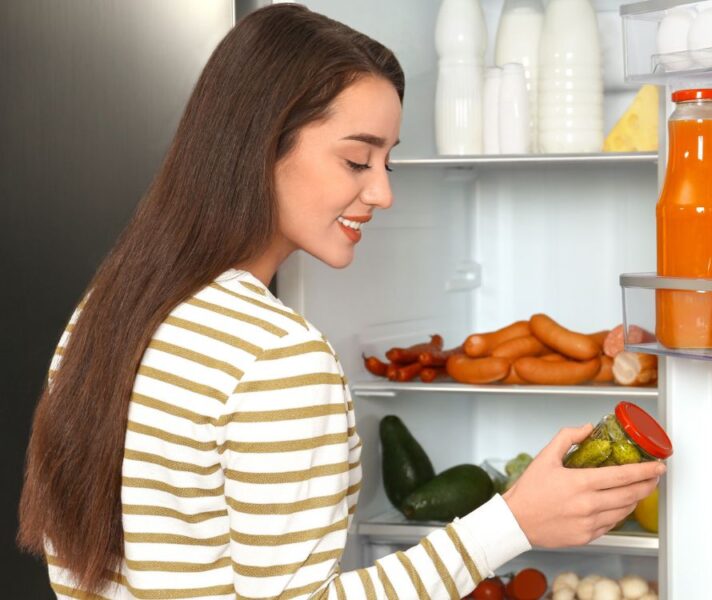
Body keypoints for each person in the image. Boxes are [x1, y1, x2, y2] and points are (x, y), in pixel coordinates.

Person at [18, 5, 664, 599]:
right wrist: (512, 523)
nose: (383, 192)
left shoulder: (108, 310)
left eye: (388, 161)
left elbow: (72, 566)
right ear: (260, 146)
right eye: (358, 161)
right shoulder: (276, 357)